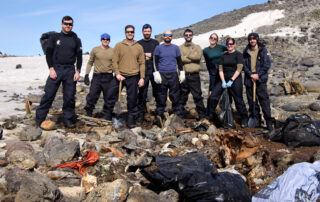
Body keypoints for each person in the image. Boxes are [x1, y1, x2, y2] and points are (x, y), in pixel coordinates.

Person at [36, 16, 82, 128]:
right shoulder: (54, 37)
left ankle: (68, 119)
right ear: (62, 24)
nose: (68, 26)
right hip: (56, 68)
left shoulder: (76, 39)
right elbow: (49, 54)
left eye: (70, 24)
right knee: (48, 95)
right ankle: (39, 120)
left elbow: (79, 56)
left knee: (70, 97)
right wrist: (51, 68)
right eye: (66, 23)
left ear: (73, 25)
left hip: (70, 70)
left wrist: (78, 71)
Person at [207, 37, 248, 128]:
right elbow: (220, 69)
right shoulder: (223, 56)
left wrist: (232, 80)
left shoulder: (238, 55)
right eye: (228, 44)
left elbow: (239, 69)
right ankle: (210, 115)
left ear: (234, 45)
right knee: (214, 96)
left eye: (231, 44)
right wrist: (223, 81)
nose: (230, 46)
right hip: (223, 78)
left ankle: (244, 117)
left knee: (238, 99)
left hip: (235, 78)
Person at [112, 25, 145, 128]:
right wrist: (117, 73)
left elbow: (142, 63)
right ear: (125, 33)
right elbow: (114, 61)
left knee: (132, 99)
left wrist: (142, 77)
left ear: (134, 33)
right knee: (112, 96)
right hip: (120, 76)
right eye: (128, 32)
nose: (130, 33)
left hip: (133, 77)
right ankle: (110, 116)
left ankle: (130, 120)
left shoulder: (139, 47)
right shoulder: (119, 45)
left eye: (131, 32)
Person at [243, 33, 274, 130]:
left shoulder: (263, 49)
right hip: (249, 78)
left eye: (254, 39)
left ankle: (268, 121)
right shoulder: (246, 51)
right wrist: (251, 74)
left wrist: (258, 75)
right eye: (250, 39)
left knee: (264, 100)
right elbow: (244, 65)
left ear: (257, 40)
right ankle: (256, 119)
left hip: (260, 79)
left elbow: (267, 64)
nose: (252, 41)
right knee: (252, 101)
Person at [83, 33, 118, 120]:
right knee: (92, 95)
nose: (105, 40)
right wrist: (86, 74)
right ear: (101, 40)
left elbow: (114, 64)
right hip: (97, 76)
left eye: (107, 39)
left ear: (109, 40)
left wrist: (117, 74)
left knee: (109, 96)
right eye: (104, 39)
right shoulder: (95, 50)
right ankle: (89, 111)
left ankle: (107, 114)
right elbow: (90, 62)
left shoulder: (113, 51)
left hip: (108, 77)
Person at [153, 30, 184, 123]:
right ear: (163, 36)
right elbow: (155, 62)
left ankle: (178, 116)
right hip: (162, 74)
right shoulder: (158, 48)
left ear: (172, 37)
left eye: (169, 35)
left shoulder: (176, 48)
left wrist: (182, 72)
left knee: (175, 95)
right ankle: (159, 116)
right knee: (161, 96)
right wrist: (156, 73)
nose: (167, 37)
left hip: (173, 74)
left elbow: (179, 61)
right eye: (166, 35)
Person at [179, 29, 206, 120]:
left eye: (190, 35)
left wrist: (186, 56)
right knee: (182, 96)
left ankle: (202, 115)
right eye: (186, 35)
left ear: (192, 36)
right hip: (184, 75)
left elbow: (198, 56)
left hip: (194, 76)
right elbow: (180, 59)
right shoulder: (180, 47)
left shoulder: (197, 47)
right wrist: (191, 56)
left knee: (197, 96)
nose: (188, 36)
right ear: (184, 36)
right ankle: (180, 116)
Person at [137, 24, 160, 124]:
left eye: (148, 31)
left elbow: (157, 54)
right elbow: (138, 56)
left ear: (151, 32)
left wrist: (149, 55)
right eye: (145, 31)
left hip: (154, 71)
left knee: (158, 92)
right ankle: (141, 115)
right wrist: (147, 55)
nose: (147, 32)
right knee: (142, 93)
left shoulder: (155, 42)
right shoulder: (138, 43)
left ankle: (159, 114)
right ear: (142, 32)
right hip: (143, 71)